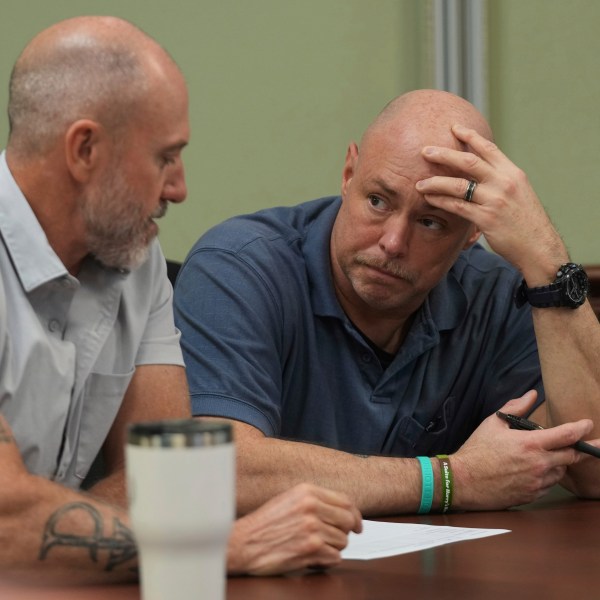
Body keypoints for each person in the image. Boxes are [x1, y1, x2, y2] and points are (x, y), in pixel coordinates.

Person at [0, 16, 361, 584]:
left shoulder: (134, 260)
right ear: (84, 149)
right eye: (165, 157)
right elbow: (4, 517)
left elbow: (163, 484)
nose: (179, 188)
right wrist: (215, 550)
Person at [174, 89, 600, 518]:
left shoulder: (494, 295)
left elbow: (593, 474)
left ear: (473, 232)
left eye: (431, 222)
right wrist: (455, 479)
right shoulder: (240, 268)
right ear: (348, 173)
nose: (393, 242)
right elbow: (215, 470)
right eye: (378, 201)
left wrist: (547, 261)